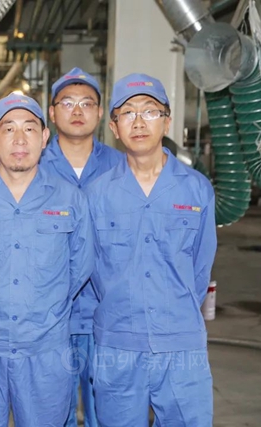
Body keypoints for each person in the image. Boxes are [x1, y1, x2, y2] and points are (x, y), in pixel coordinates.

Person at [0, 93, 93, 426]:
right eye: (8, 129)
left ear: (44, 137)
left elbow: (80, 267)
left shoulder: (70, 200)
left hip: (45, 350)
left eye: (29, 128)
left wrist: (43, 307)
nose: (20, 139)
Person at [86, 74, 217, 426]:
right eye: (128, 112)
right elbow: (92, 269)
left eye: (150, 111)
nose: (139, 121)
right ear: (114, 127)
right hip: (118, 344)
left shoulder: (197, 190)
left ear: (167, 121)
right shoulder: (96, 195)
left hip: (181, 345)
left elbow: (201, 268)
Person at [42, 67, 123, 427]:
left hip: (105, 316)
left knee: (104, 412)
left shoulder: (121, 167)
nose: (77, 111)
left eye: (87, 103)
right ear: (52, 112)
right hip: (49, 318)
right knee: (49, 412)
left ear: (101, 113)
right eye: (67, 103)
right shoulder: (32, 165)